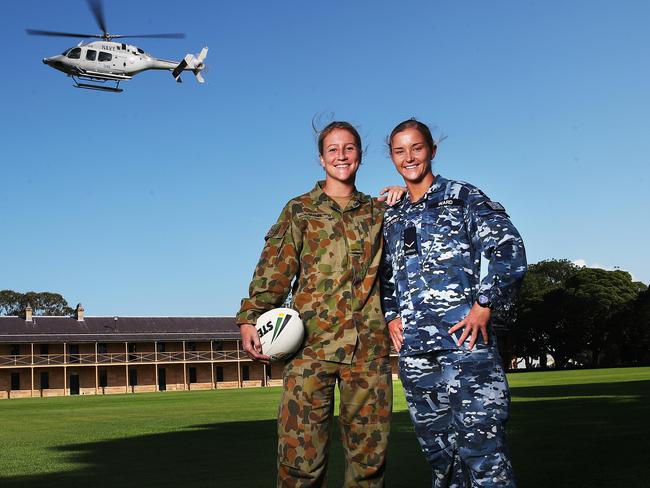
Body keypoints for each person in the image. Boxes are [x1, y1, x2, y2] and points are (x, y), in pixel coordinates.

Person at [237, 121, 401, 488]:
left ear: (360, 155)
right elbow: (275, 270)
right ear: (321, 158)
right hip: (311, 350)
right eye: (333, 149)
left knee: (369, 463)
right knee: (300, 463)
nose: (341, 156)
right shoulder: (300, 210)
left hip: (368, 352)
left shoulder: (378, 213)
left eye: (349, 148)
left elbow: (420, 206)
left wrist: (404, 190)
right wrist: (250, 318)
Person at [381, 119, 527, 488]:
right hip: (415, 354)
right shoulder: (392, 215)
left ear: (432, 149)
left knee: (483, 452)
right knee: (441, 458)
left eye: (417, 147)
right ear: (392, 157)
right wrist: (391, 315)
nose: (409, 157)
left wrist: (485, 303)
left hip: (465, 348)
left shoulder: (463, 196)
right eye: (400, 150)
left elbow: (508, 248)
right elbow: (382, 274)